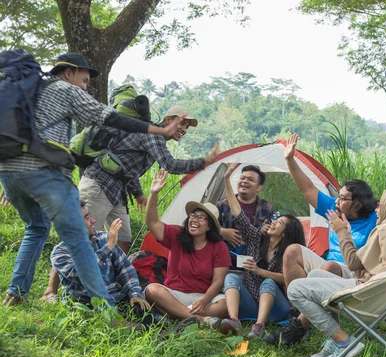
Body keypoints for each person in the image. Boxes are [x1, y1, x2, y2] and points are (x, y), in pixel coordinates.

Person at [0, 53, 181, 307]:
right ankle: (106, 310)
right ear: (68, 72)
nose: (85, 87)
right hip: (45, 174)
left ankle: (15, 293)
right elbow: (106, 116)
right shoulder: (65, 90)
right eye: (84, 80)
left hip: (9, 170)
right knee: (79, 241)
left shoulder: (27, 92)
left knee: (37, 228)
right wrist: (157, 129)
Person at [264, 133, 378, 345]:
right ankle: (298, 314)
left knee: (329, 266)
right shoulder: (334, 207)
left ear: (358, 205)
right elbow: (306, 188)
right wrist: (289, 160)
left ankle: (298, 327)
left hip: (353, 271)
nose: (337, 201)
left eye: (343, 198)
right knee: (293, 252)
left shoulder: (375, 220)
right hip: (329, 265)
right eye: (339, 196)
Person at [288, 190, 386, 357]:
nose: (377, 209)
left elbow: (354, 264)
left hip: (367, 296)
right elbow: (368, 266)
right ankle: (333, 340)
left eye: (381, 205)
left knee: (295, 289)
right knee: (315, 274)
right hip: (381, 295)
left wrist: (342, 232)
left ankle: (343, 341)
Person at [79, 104, 219, 255]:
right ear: (168, 120)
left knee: (123, 239)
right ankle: (60, 276)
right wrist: (203, 162)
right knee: (82, 240)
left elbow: (127, 166)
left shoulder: (154, 137)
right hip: (98, 186)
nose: (184, 130)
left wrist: (138, 193)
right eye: (182, 123)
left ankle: (116, 277)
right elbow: (170, 165)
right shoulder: (153, 134)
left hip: (117, 193)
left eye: (187, 127)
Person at [218, 163, 306, 338]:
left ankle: (259, 326)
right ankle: (234, 320)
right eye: (275, 220)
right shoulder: (256, 237)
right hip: (253, 302)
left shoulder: (290, 252)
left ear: (286, 233)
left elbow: (290, 278)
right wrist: (227, 179)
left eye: (279, 222)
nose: (272, 222)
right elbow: (237, 213)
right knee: (231, 277)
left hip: (277, 308)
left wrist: (259, 271)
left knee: (269, 283)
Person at [143, 169, 230, 329]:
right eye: (193, 216)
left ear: (210, 226)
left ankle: (177, 313)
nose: (195, 220)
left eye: (201, 218)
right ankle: (201, 320)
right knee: (152, 290)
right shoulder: (176, 235)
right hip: (175, 293)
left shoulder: (219, 247)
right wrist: (153, 193)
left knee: (226, 304)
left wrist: (203, 301)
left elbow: (218, 281)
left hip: (204, 296)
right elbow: (152, 223)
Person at [51, 201, 155, 326]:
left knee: (147, 313)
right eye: (87, 218)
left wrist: (134, 293)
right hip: (88, 306)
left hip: (117, 298)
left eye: (90, 215)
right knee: (109, 321)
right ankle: (128, 326)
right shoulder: (60, 254)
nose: (93, 220)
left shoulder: (103, 238)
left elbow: (126, 269)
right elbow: (84, 275)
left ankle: (163, 327)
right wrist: (108, 247)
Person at [217, 164, 276, 259]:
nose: (244, 181)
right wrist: (222, 231)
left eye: (251, 179)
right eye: (242, 178)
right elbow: (208, 226)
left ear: (259, 187)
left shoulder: (267, 207)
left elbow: (274, 235)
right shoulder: (223, 204)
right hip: (225, 259)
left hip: (254, 262)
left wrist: (267, 231)